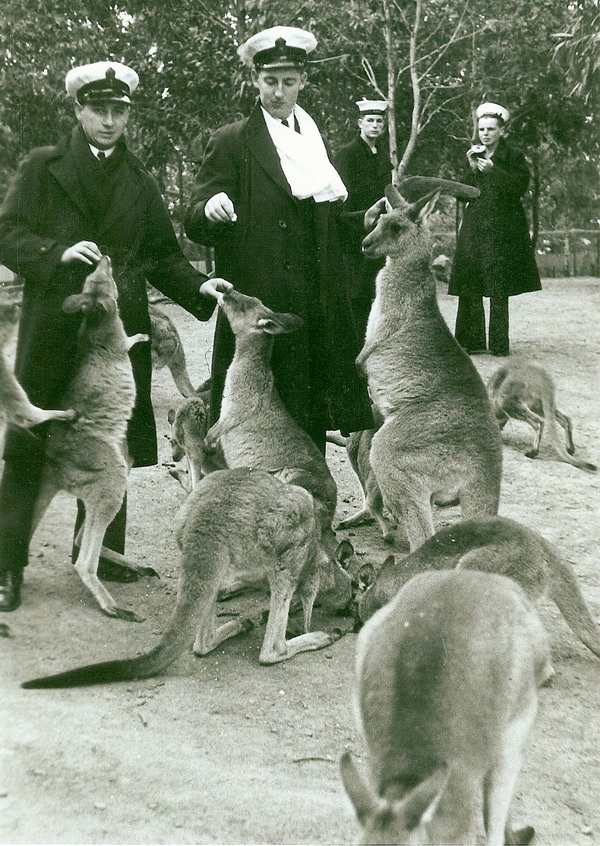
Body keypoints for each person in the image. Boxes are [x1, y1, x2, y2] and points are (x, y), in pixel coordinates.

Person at [0, 61, 231, 612]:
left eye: (118, 111)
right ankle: (7, 565)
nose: (108, 121)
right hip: (53, 329)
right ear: (78, 110)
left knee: (111, 439)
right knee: (32, 440)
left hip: (116, 339)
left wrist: (202, 287)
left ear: (128, 115)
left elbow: (161, 257)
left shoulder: (140, 181)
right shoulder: (42, 167)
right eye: (98, 109)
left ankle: (102, 552)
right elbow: (6, 232)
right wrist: (53, 253)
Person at [184, 26, 373, 452]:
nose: (279, 92)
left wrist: (362, 220)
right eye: (270, 81)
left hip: (312, 307)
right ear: (255, 80)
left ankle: (306, 512)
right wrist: (210, 209)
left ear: (303, 81)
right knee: (252, 425)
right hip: (260, 309)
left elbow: (323, 223)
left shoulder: (311, 140)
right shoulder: (232, 141)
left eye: (289, 82)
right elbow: (192, 220)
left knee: (306, 425)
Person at [448, 102, 541, 356]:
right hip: (476, 227)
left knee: (498, 286)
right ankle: (472, 342)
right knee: (471, 282)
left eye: (491, 129)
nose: (485, 134)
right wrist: (471, 168)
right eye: (481, 129)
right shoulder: (475, 156)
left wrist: (494, 171)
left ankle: (499, 345)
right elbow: (462, 194)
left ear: (502, 131)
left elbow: (519, 188)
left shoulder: (513, 157)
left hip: (503, 229)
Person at [334, 98, 392, 340]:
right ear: (360, 123)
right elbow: (342, 197)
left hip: (378, 230)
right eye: (370, 121)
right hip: (355, 230)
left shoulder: (381, 154)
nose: (375, 126)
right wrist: (359, 220)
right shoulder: (347, 154)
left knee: (374, 292)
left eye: (379, 121)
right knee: (357, 294)